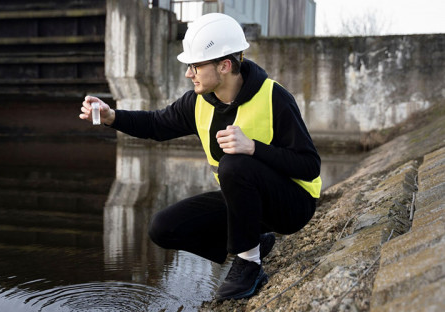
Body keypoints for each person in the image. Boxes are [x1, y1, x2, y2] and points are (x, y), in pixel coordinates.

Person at [79, 13, 321, 302]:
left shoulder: (274, 97)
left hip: (293, 204)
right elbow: (155, 124)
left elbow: (309, 166)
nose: (188, 73)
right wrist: (111, 117)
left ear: (224, 65)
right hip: (245, 204)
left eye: (195, 65)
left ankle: (249, 264)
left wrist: (254, 147)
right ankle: (253, 243)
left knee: (234, 161)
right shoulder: (197, 102)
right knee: (163, 228)